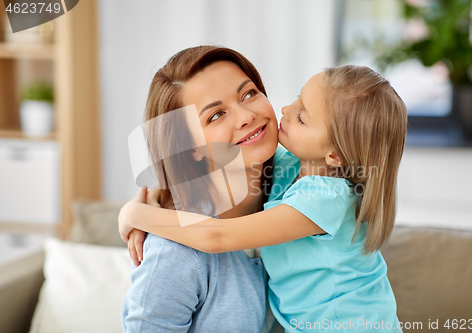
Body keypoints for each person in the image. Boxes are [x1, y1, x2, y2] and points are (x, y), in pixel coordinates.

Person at [120, 65, 408, 332]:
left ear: (334, 156)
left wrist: (133, 215)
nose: (284, 108)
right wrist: (157, 189)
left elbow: (216, 238)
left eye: (302, 117)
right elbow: (190, 158)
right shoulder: (293, 166)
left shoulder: (326, 196)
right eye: (216, 114)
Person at [120, 45, 280, 332]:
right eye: (216, 115)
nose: (245, 116)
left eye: (248, 93)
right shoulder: (173, 253)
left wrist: (135, 212)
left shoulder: (300, 191)